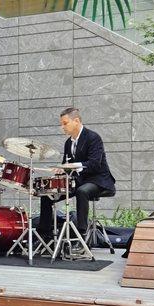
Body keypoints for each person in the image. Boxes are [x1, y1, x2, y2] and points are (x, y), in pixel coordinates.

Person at [38, 107, 116, 252]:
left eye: (65, 123)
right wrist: (61, 170)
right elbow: (66, 166)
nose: (62, 127)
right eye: (61, 124)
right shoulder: (68, 143)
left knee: (82, 192)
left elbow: (94, 164)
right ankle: (45, 237)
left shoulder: (93, 137)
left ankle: (81, 236)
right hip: (79, 180)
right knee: (47, 195)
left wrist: (73, 165)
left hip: (98, 180)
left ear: (77, 121)